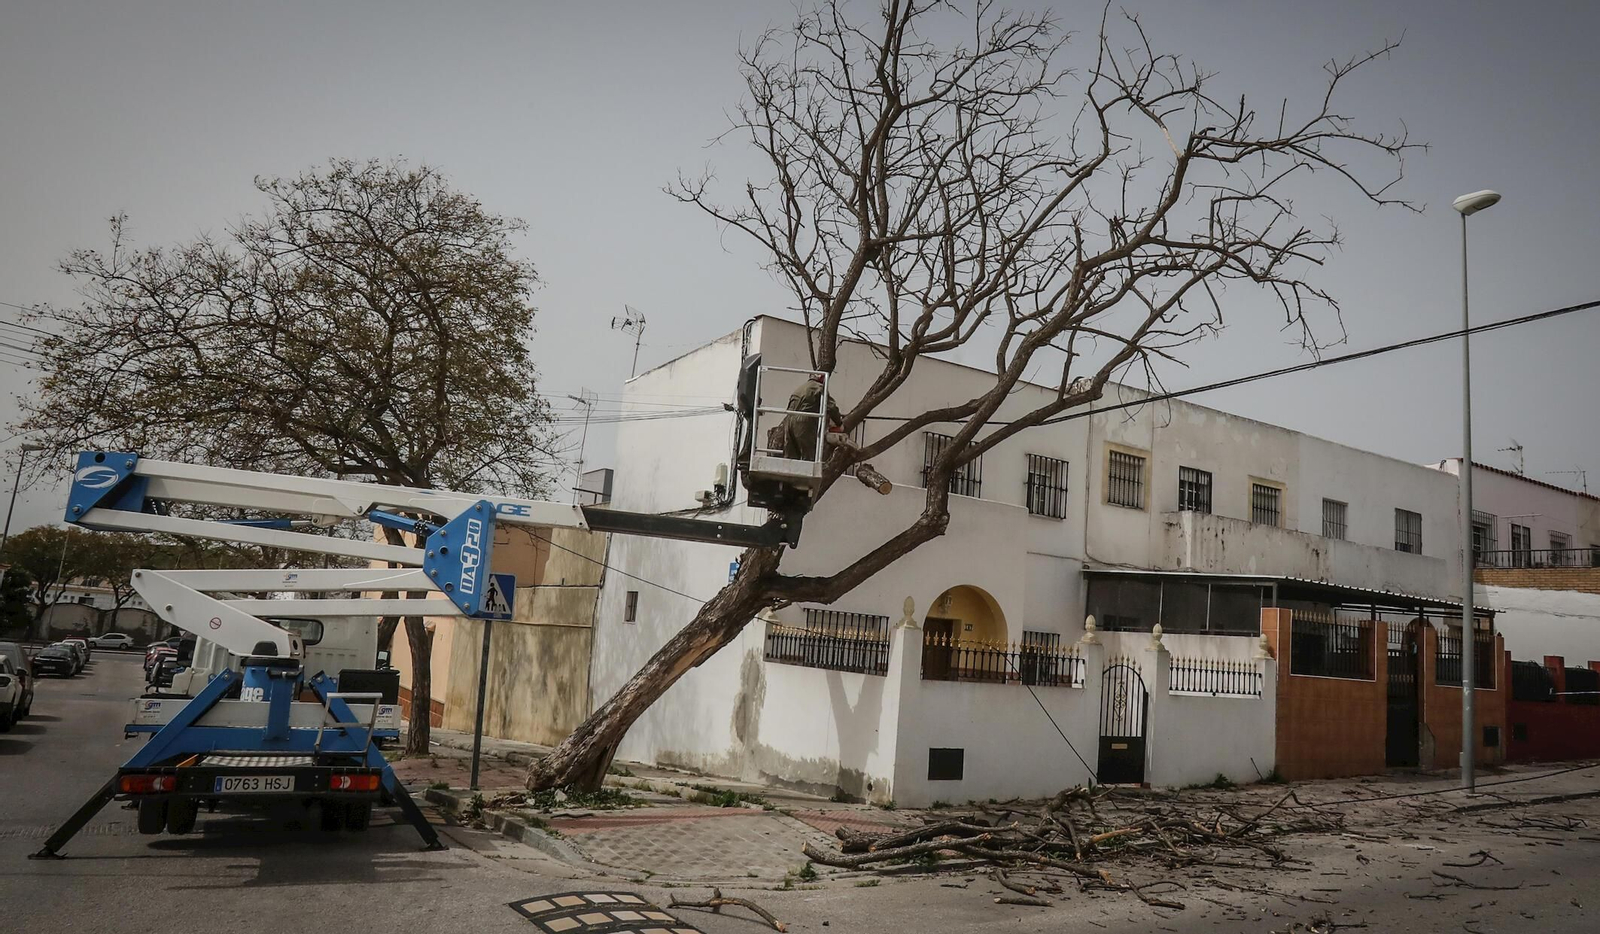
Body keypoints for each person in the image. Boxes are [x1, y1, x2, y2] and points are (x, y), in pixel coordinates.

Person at [782, 373, 842, 461]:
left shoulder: (799, 388)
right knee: (809, 455)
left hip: (789, 422)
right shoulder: (819, 388)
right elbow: (831, 407)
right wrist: (839, 423)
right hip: (803, 422)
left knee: (790, 455)